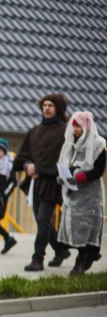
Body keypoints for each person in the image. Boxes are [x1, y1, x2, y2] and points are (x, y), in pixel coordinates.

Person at [14, 93, 70, 271]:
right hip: (35, 184)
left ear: (58, 108)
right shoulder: (35, 130)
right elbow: (23, 156)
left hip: (52, 183)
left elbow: (65, 159)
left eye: (51, 105)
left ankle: (37, 259)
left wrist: (40, 169)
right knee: (42, 221)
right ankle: (61, 250)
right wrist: (27, 165)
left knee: (44, 220)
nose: (47, 108)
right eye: (45, 105)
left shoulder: (65, 131)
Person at [56, 111, 105, 275]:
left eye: (79, 126)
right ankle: (89, 254)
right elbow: (65, 163)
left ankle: (82, 261)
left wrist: (79, 177)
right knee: (74, 228)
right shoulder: (69, 144)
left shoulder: (98, 145)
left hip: (90, 195)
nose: (75, 129)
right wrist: (63, 177)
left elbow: (98, 171)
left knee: (87, 227)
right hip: (73, 195)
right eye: (74, 125)